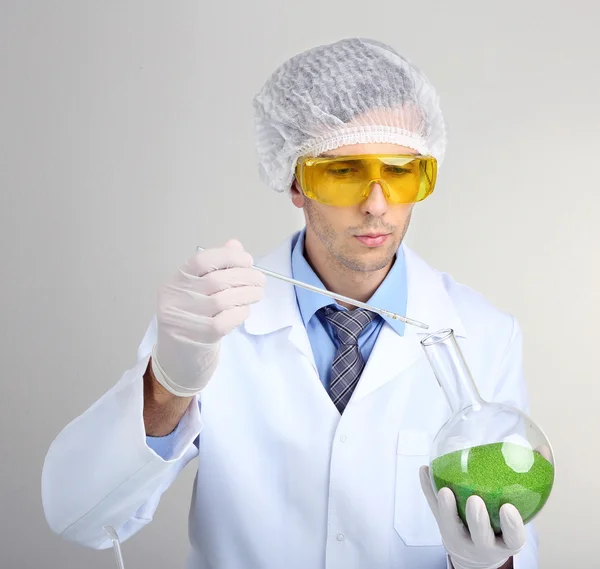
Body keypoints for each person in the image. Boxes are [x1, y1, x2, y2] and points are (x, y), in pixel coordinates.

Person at [42, 38, 539, 569]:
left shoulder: (485, 335)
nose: (376, 205)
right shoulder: (212, 321)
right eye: (343, 172)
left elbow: (513, 543)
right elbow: (78, 516)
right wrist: (169, 384)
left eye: (398, 171)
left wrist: (485, 563)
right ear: (295, 181)